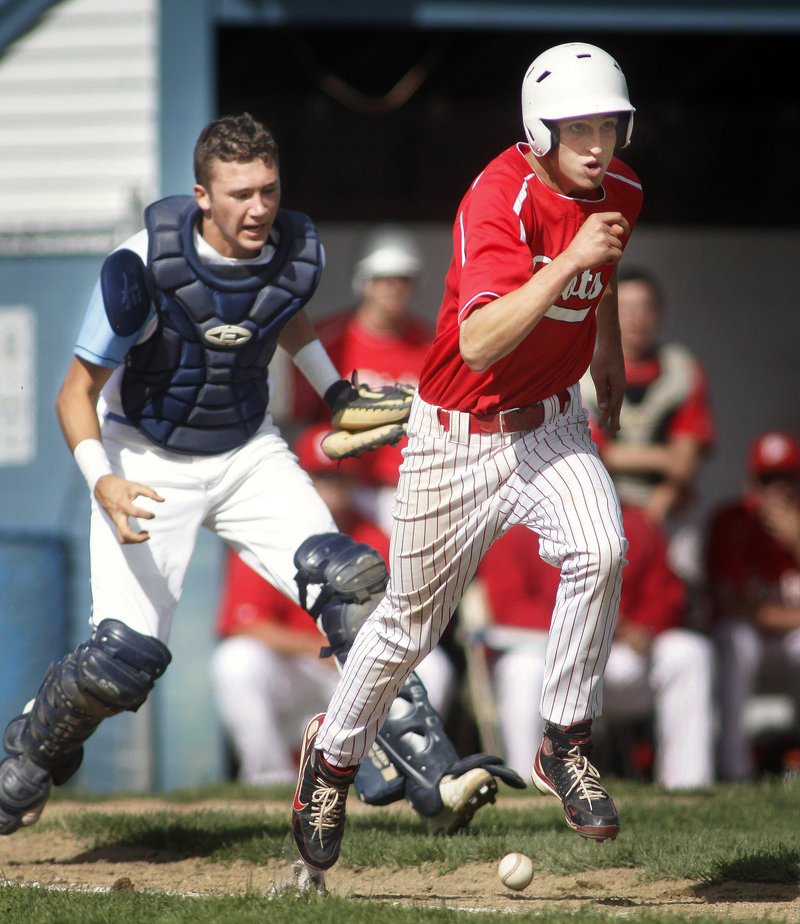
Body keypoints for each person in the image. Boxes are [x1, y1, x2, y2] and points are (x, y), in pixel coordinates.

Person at [0, 113, 518, 838]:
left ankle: (435, 773)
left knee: (352, 585)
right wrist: (102, 481)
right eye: (239, 193)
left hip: (246, 451)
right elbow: (72, 393)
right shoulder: (141, 262)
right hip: (142, 457)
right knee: (123, 662)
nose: (258, 208)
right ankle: (29, 746)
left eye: (268, 191)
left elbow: (284, 314)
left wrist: (336, 392)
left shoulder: (293, 248)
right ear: (201, 195)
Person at [292, 41, 644, 874]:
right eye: (578, 127)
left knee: (601, 548)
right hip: (457, 433)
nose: (597, 143)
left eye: (610, 124)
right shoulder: (497, 197)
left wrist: (610, 363)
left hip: (552, 424)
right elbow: (481, 342)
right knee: (409, 626)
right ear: (539, 127)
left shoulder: (621, 186)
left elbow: (602, 274)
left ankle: (564, 741)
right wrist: (570, 263)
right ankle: (331, 761)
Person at [212, 423, 454, 784]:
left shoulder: (376, 537)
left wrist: (356, 654)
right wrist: (318, 647)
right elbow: (244, 623)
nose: (332, 487)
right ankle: (268, 779)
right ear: (302, 479)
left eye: (341, 475)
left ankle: (410, 775)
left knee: (434, 666)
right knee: (236, 661)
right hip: (297, 671)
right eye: (322, 476)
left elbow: (410, 617)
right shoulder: (270, 533)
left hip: (360, 670)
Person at [476, 509, 715, 790]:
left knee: (689, 652)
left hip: (615, 657)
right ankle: (526, 786)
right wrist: (595, 622)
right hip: (549, 656)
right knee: (521, 668)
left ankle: (688, 786)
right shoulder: (517, 524)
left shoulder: (632, 520)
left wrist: (644, 626)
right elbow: (509, 607)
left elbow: (666, 593)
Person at [294, 225, 434, 535]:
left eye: (403, 280)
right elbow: (299, 418)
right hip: (341, 488)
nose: (393, 288)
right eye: (383, 279)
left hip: (407, 490)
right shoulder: (331, 340)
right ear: (364, 282)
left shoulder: (429, 347)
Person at [579, 268, 714, 582]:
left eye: (644, 308)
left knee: (679, 580)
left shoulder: (682, 370)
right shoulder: (584, 371)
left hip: (667, 509)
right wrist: (663, 457)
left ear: (659, 313)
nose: (636, 318)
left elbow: (684, 465)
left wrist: (654, 511)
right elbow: (596, 455)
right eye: (624, 309)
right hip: (602, 506)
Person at [706, 429, 800, 781]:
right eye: (768, 479)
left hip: (789, 643)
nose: (778, 489)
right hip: (746, 644)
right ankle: (735, 770)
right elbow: (731, 606)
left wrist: (796, 539)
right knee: (737, 638)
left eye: (787, 478)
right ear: (751, 482)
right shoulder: (731, 520)